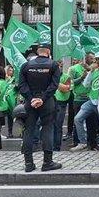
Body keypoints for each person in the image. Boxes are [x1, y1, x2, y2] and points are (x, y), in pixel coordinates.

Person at [18, 43, 61, 172]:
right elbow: (54, 85)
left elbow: (21, 85)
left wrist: (31, 99)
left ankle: (28, 164)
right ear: (48, 52)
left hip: (30, 102)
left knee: (29, 130)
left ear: (38, 52)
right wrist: (42, 99)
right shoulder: (53, 65)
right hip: (47, 102)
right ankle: (47, 162)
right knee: (47, 129)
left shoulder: (26, 65)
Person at [71, 55, 99, 152]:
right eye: (96, 59)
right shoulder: (93, 71)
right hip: (92, 101)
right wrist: (90, 73)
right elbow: (86, 84)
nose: (97, 61)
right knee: (77, 119)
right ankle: (82, 143)